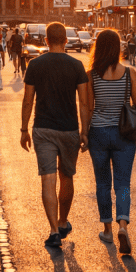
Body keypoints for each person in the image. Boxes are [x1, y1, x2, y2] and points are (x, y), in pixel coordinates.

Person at [80, 29, 136, 255]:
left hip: (99, 134)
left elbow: (88, 107)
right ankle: (123, 225)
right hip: (124, 135)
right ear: (118, 48)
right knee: (123, 184)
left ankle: (107, 230)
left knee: (102, 184)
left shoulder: (91, 74)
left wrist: (84, 133)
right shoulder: (129, 73)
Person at [20, 23, 90, 250]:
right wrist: (84, 131)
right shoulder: (77, 65)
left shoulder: (35, 64)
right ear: (66, 40)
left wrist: (23, 129)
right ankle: (62, 222)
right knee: (66, 177)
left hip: (43, 128)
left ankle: (53, 231)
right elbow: (84, 102)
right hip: (69, 129)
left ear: (46, 40)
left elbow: (28, 100)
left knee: (48, 179)